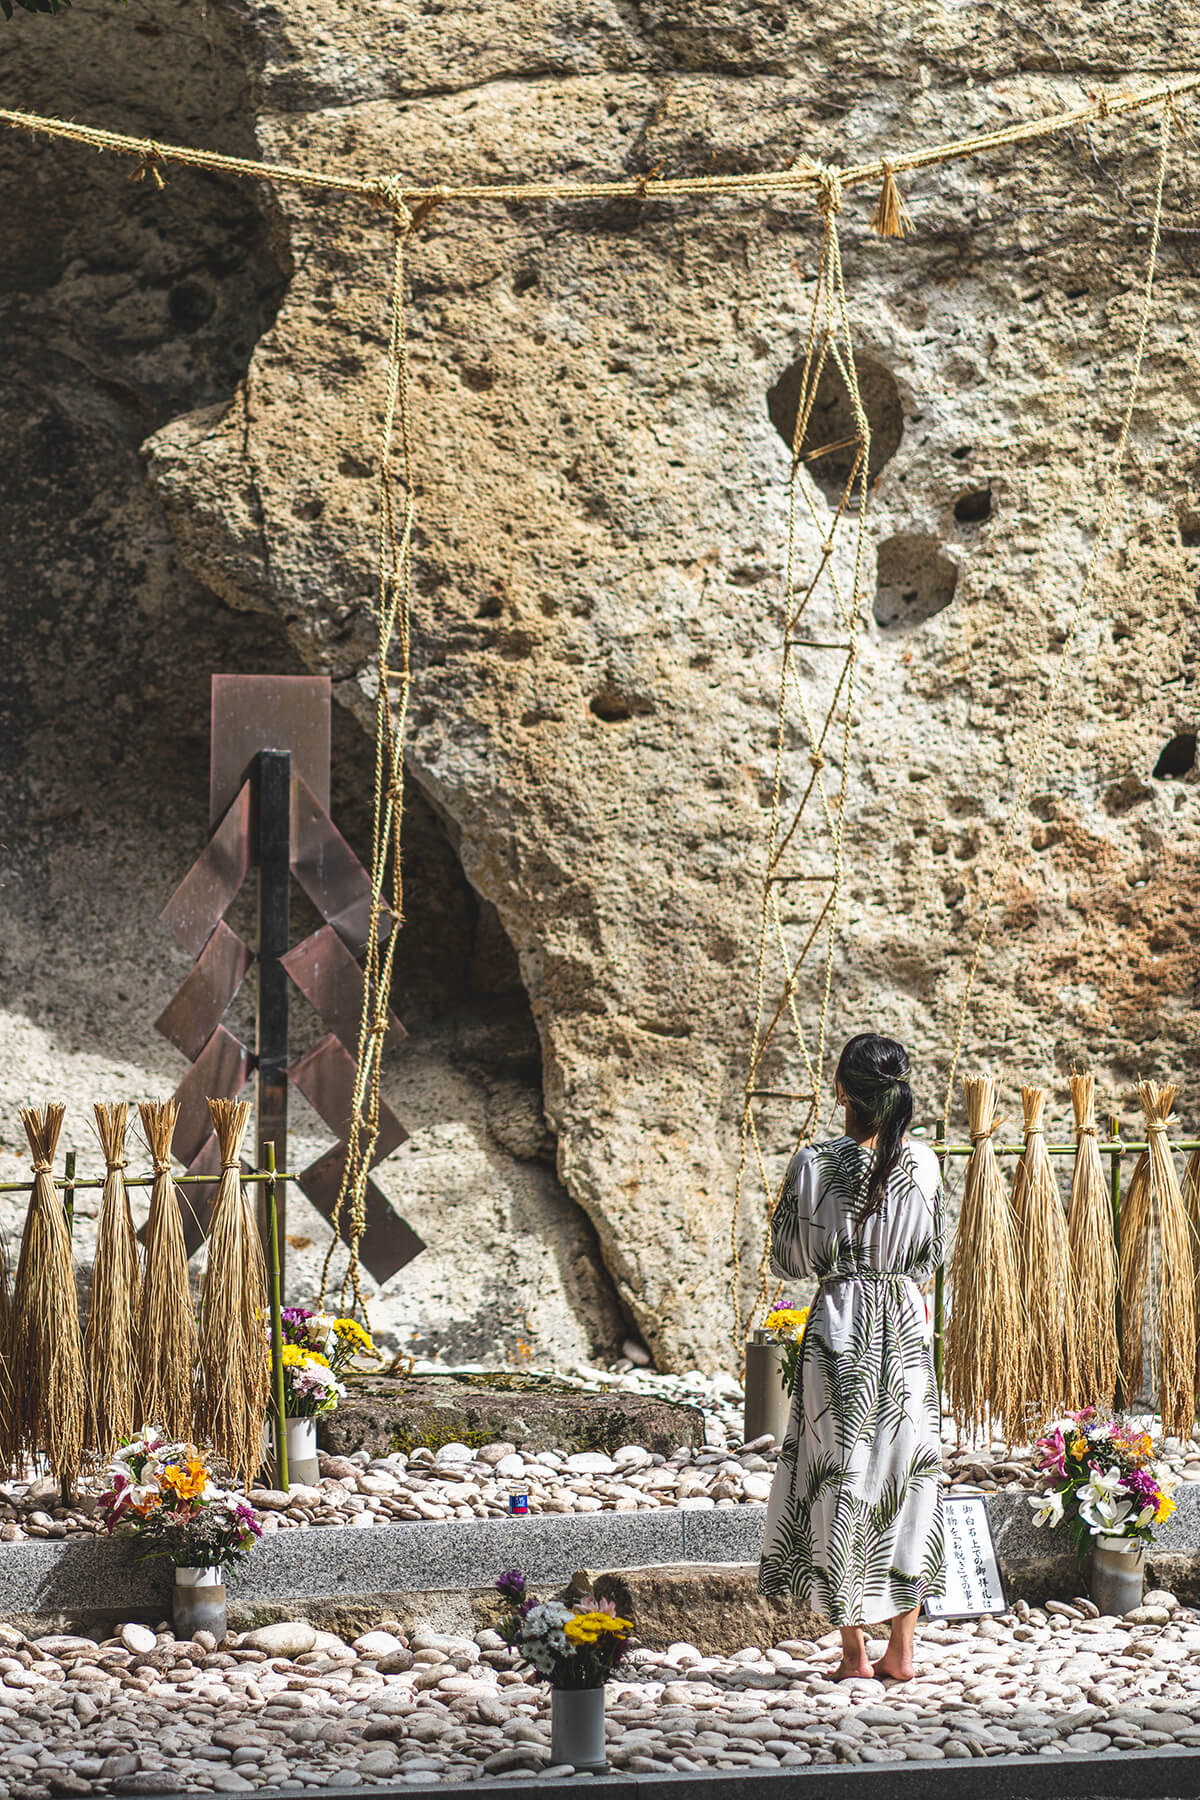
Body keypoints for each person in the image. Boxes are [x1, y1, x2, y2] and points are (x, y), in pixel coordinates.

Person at [758, 1032, 945, 1681]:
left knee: (837, 1478)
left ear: (842, 1089)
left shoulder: (814, 1162)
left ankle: (853, 1654)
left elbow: (789, 1259)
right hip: (905, 1325)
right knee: (908, 1477)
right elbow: (933, 1256)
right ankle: (903, 1650)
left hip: (840, 1327)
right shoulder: (925, 1163)